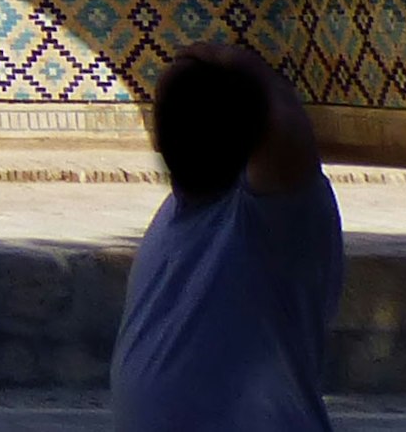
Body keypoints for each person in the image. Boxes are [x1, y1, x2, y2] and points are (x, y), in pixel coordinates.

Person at [112, 40, 343, 432]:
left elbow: (291, 129)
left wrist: (230, 59)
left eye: (186, 118)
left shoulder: (273, 221)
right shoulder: (179, 212)